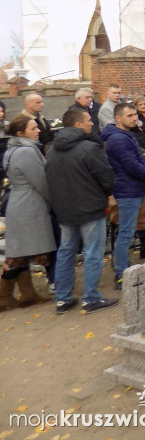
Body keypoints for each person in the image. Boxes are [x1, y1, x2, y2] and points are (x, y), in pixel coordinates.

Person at [46, 107, 118, 314]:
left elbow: (49, 177)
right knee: (93, 253)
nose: (91, 123)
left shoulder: (52, 150)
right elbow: (106, 177)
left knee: (66, 252)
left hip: (65, 209)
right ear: (78, 125)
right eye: (88, 121)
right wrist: (108, 193)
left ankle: (62, 298)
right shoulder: (88, 148)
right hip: (89, 208)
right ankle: (91, 298)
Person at [0, 115, 55, 310]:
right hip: (29, 206)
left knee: (22, 251)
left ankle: (27, 293)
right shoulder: (26, 152)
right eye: (33, 128)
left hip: (22, 203)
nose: (38, 130)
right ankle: (4, 296)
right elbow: (41, 180)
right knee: (18, 254)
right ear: (20, 133)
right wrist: (54, 201)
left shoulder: (14, 149)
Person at [102, 102, 145, 289]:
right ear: (118, 118)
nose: (135, 118)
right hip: (127, 191)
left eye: (135, 114)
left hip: (133, 187)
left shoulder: (126, 135)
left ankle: (124, 269)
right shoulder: (118, 139)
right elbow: (131, 165)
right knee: (125, 234)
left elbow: (140, 159)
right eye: (129, 116)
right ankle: (121, 274)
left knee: (127, 232)